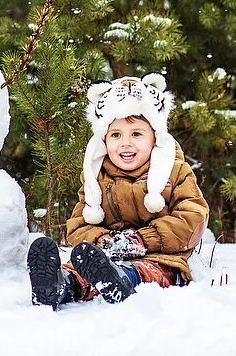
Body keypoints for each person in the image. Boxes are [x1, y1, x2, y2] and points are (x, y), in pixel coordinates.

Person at [28, 73, 209, 309]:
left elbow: (193, 217)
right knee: (82, 268)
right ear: (104, 139)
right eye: (116, 135)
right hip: (107, 255)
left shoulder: (174, 172)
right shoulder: (97, 178)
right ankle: (59, 286)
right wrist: (103, 241)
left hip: (161, 257)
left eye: (136, 134)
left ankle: (122, 281)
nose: (125, 143)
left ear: (155, 136)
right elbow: (78, 225)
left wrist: (142, 239)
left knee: (146, 271)